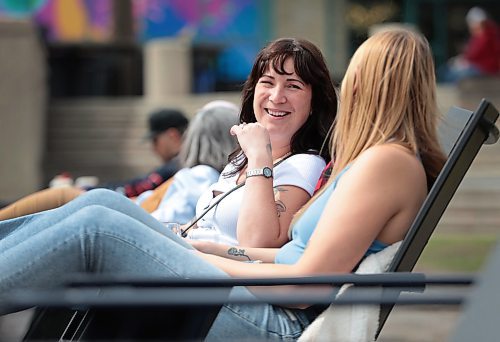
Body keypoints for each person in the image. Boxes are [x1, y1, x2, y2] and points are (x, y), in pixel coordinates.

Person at [0, 29, 445, 340]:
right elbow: (298, 258)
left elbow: (304, 285)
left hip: (274, 323)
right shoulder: (379, 160)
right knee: (101, 203)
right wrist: (215, 250)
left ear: (369, 86)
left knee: (97, 226)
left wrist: (203, 260)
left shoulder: (387, 164)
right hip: (256, 298)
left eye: (355, 78)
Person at [0, 38, 337, 249]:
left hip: (206, 278)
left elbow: (258, 241)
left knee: (95, 219)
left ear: (313, 101)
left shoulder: (303, 164)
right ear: (253, 91)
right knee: (98, 202)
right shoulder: (238, 161)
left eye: (293, 86)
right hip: (181, 252)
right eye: (268, 82)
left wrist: (261, 155)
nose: (277, 96)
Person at [95, 107, 189, 198]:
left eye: (155, 140)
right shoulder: (183, 163)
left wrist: (92, 190)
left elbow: (138, 188)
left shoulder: (177, 166)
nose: (153, 148)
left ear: (172, 136)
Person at [438, 6, 500, 83]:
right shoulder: (477, 36)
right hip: (476, 66)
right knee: (445, 70)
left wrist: (464, 61)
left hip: (486, 69)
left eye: (472, 23)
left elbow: (476, 54)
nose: (470, 26)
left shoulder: (488, 36)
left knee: (453, 75)